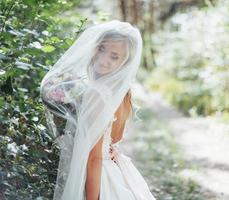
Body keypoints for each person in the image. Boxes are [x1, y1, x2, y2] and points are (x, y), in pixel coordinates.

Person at [40, 20, 156, 200]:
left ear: (124, 63)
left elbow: (94, 158)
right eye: (102, 49)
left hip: (98, 177)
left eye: (114, 56)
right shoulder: (122, 93)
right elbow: (115, 139)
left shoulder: (96, 93)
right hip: (115, 170)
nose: (104, 59)